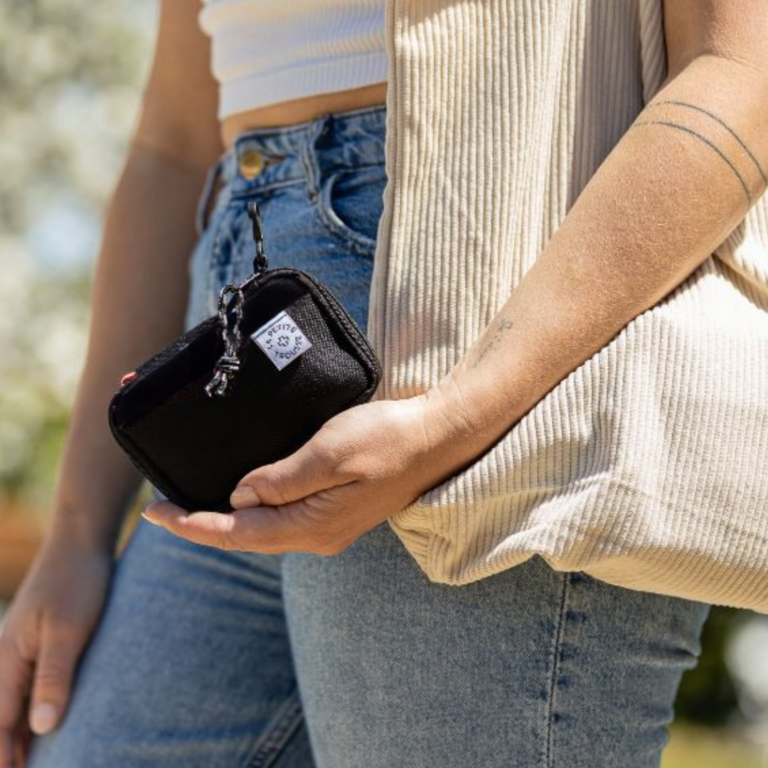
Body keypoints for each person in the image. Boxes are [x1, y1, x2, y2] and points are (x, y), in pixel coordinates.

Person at [2, 0, 767, 765]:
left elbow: (740, 69)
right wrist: (75, 535)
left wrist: (458, 417)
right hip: (237, 341)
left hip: (500, 335)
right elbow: (172, 144)